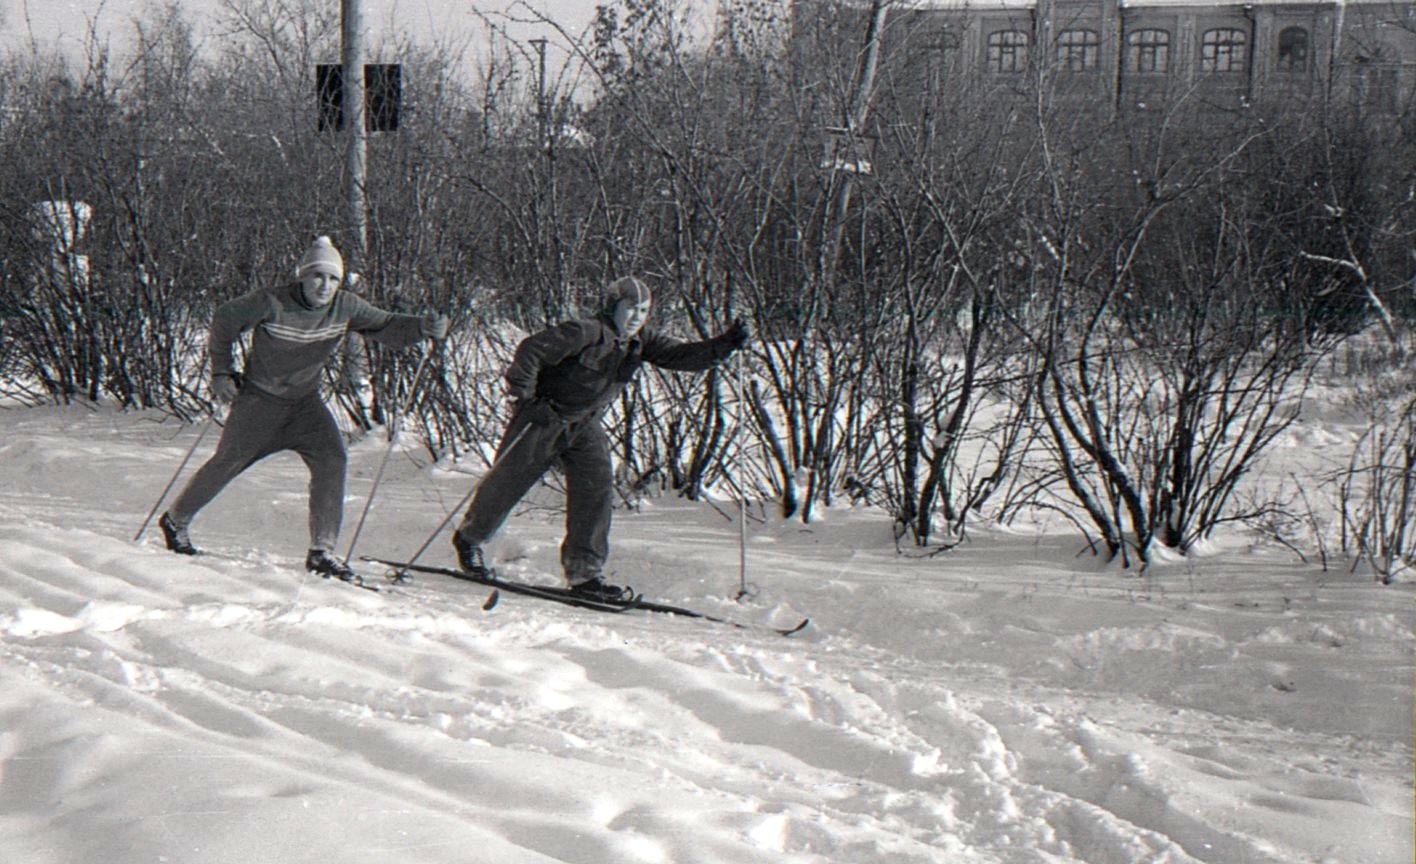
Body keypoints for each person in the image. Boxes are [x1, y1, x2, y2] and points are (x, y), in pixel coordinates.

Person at [158, 235, 449, 579]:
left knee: (332, 458)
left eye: (333, 278)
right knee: (228, 462)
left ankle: (322, 551)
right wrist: (222, 371)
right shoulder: (272, 301)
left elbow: (385, 325)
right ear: (302, 276)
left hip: (304, 405)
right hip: (259, 402)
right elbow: (224, 319)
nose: (324, 286)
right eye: (317, 276)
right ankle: (175, 521)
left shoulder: (345, 306)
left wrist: (422, 327)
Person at [451, 276, 749, 601]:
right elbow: (531, 350)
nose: (636, 318)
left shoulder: (640, 341)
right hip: (544, 417)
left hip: (584, 423)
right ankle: (470, 538)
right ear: (611, 308)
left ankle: (584, 574)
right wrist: (526, 400)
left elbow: (680, 356)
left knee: (595, 489)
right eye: (629, 309)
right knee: (508, 482)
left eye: (643, 311)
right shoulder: (585, 331)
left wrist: (726, 344)